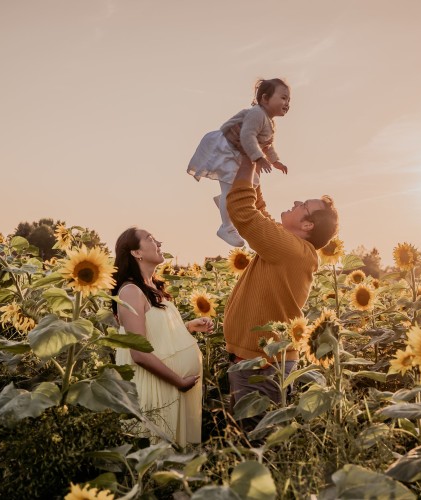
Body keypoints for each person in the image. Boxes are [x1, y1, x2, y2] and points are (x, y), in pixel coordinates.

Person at [223, 154, 339, 428]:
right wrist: (254, 164)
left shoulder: (292, 251)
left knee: (256, 441)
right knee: (249, 437)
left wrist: (249, 161)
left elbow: (244, 213)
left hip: (264, 362)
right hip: (257, 358)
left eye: (304, 205)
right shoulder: (290, 247)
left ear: (308, 225)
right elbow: (260, 213)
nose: (297, 203)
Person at [112, 227, 213, 446]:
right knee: (160, 458)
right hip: (160, 388)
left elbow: (158, 335)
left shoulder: (152, 288)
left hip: (173, 387)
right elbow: (138, 352)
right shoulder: (130, 291)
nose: (159, 242)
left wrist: (189, 327)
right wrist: (179, 382)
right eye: (150, 238)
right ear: (136, 253)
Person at [187, 78, 291, 247]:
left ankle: (224, 201)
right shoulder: (257, 113)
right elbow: (247, 136)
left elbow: (267, 144)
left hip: (238, 154)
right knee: (233, 188)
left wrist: (276, 161)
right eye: (283, 98)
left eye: (289, 100)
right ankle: (226, 227)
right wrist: (258, 158)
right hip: (227, 151)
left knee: (247, 186)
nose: (287, 103)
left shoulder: (269, 122)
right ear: (265, 99)